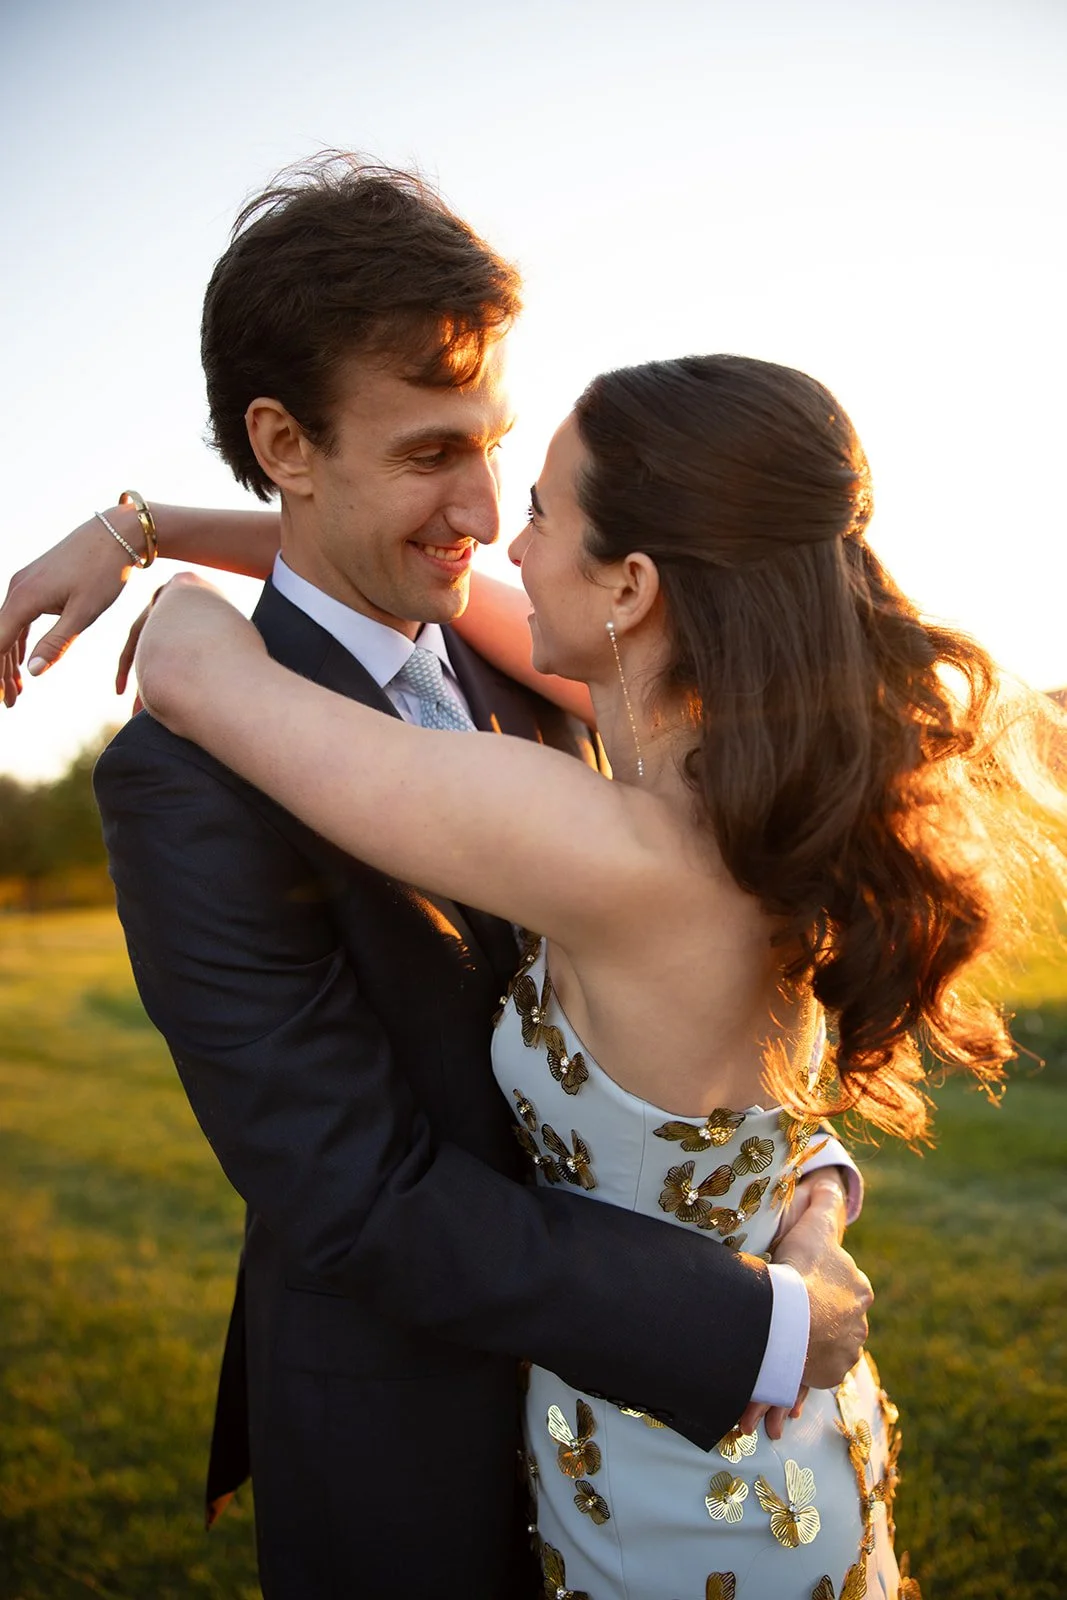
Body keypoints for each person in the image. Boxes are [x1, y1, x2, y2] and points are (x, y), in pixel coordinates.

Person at [0, 160, 872, 1600]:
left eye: (498, 449)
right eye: (425, 457)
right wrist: (750, 1329)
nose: (479, 511)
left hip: (664, 1442)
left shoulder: (553, 655)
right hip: (408, 1445)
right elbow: (357, 1194)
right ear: (283, 441)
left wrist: (144, 528)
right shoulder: (183, 778)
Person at [122, 351, 1066, 1600]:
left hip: (680, 1499)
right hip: (767, 1455)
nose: (496, 542)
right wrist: (146, 521)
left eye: (540, 513)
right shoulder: (755, 796)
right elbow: (428, 590)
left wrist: (159, 578)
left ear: (629, 584)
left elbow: (198, 671)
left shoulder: (606, 847)